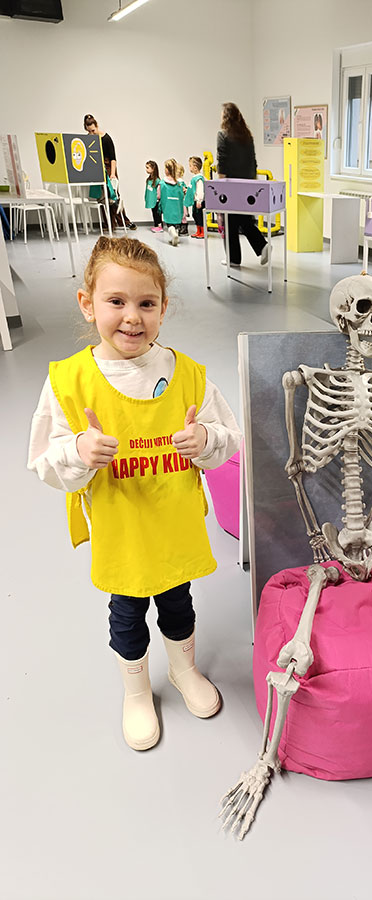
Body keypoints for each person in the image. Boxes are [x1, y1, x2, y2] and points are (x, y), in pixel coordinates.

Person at [27, 236, 242, 751]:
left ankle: (183, 670)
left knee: (178, 603)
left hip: (174, 527)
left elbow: (229, 437)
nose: (132, 317)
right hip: (122, 534)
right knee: (126, 613)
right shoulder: (69, 381)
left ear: (164, 309)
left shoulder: (187, 375)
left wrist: (205, 440)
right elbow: (45, 461)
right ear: (88, 304)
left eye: (146, 303)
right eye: (116, 301)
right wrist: (79, 450)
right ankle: (137, 690)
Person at [216, 102, 270, 267]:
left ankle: (235, 258)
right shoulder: (247, 136)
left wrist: (220, 185)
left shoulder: (223, 135)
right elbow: (253, 161)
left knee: (230, 221)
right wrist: (253, 182)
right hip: (247, 183)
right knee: (243, 219)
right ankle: (261, 246)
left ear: (225, 117)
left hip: (230, 184)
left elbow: (222, 160)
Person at [83, 114, 136, 230]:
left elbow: (113, 158)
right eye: (89, 131)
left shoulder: (106, 138)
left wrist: (112, 174)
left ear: (97, 126)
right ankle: (109, 224)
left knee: (113, 196)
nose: (91, 133)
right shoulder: (88, 139)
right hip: (97, 169)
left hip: (108, 168)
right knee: (102, 198)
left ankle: (124, 221)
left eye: (93, 130)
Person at [159, 158, 184, 246]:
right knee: (176, 221)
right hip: (177, 205)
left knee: (169, 223)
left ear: (167, 170)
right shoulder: (179, 183)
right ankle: (175, 234)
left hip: (167, 205)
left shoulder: (162, 183)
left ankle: (173, 233)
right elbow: (182, 194)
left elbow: (158, 195)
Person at [188, 155, 205, 239]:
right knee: (195, 215)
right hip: (195, 201)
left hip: (199, 202)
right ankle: (198, 231)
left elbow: (200, 190)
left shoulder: (199, 178)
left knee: (200, 216)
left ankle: (203, 232)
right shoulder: (194, 178)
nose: (189, 167)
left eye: (190, 166)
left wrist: (199, 200)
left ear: (195, 167)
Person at [144, 160, 162, 233]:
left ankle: (159, 226)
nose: (146, 169)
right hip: (151, 200)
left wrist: (158, 198)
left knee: (157, 214)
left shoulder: (157, 181)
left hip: (156, 201)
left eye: (148, 167)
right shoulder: (148, 180)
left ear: (153, 169)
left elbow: (159, 191)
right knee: (153, 213)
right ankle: (156, 225)